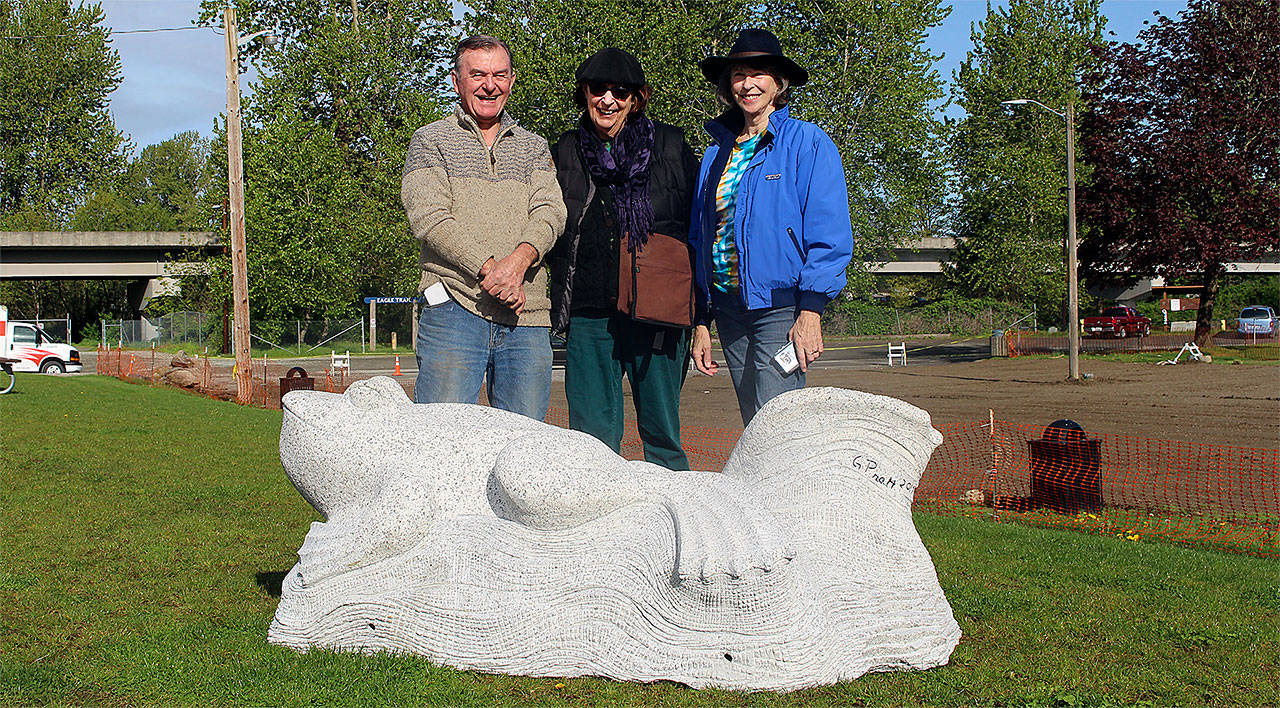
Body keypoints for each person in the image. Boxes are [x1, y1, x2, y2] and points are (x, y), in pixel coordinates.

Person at [689, 28, 854, 426]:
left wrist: (811, 310)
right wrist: (701, 319)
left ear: (778, 83)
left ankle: (798, 490)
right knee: (754, 422)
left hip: (781, 309)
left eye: (758, 73)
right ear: (729, 86)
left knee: (776, 422)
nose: (748, 84)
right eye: (739, 75)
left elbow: (829, 234)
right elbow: (700, 238)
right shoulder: (715, 154)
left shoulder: (807, 143)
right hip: (728, 310)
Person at [548, 48, 700, 469]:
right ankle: (601, 527)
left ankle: (674, 523)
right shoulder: (564, 152)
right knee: (591, 442)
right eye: (599, 90)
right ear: (585, 93)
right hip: (589, 313)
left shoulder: (670, 146)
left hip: (658, 313)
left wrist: (702, 317)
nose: (608, 100)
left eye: (620, 91)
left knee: (663, 435)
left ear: (637, 98)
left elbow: (699, 230)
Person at [401, 35, 567, 419]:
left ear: (511, 80)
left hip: (527, 318)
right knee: (442, 442)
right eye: (477, 74)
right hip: (453, 311)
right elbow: (430, 218)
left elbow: (551, 211)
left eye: (499, 75)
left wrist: (517, 265)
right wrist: (492, 270)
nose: (489, 85)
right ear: (456, 81)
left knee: (523, 451)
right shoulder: (430, 140)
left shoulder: (534, 146)